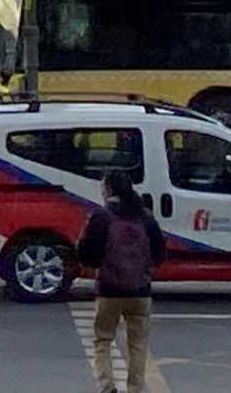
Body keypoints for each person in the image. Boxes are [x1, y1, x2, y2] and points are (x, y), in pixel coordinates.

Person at [77, 168, 167, 393]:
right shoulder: (146, 217)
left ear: (108, 189)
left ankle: (107, 386)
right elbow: (159, 254)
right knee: (137, 345)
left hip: (109, 291)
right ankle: (134, 389)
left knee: (103, 340)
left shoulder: (101, 217)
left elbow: (87, 255)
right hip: (140, 292)